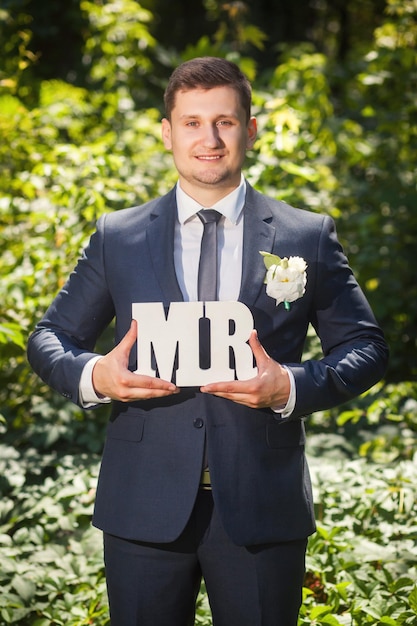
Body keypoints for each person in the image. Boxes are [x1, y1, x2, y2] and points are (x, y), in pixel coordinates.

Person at [27, 56, 388, 626]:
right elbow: (49, 337)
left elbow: (366, 348)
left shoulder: (305, 235)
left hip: (262, 508)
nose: (209, 138)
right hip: (142, 506)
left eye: (223, 121)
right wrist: (95, 376)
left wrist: (290, 387)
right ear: (167, 132)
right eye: (192, 122)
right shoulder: (117, 236)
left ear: (250, 127)